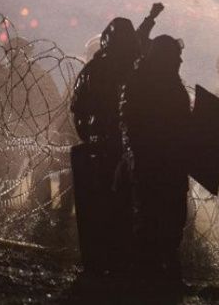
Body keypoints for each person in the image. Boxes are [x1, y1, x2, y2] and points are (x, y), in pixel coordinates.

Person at [70, 17, 141, 275]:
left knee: (108, 206)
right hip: (116, 148)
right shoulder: (131, 69)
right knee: (116, 206)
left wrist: (89, 137)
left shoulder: (98, 68)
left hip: (108, 147)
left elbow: (78, 108)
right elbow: (80, 108)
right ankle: (114, 260)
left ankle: (105, 260)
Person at [124, 35, 191, 278]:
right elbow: (136, 122)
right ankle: (148, 269)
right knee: (152, 214)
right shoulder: (146, 82)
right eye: (176, 55)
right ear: (165, 57)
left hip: (171, 161)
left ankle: (165, 265)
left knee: (173, 215)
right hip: (155, 160)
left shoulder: (165, 81)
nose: (181, 60)